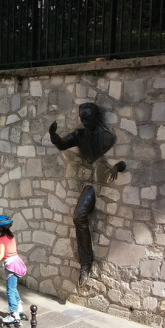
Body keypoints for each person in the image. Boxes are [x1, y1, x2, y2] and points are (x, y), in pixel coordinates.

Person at [49, 103, 126, 287]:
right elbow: (62, 144)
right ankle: (86, 264)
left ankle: (86, 265)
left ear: (97, 116)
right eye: (82, 118)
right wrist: (53, 136)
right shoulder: (79, 134)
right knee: (78, 216)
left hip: (102, 184)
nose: (84, 121)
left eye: (88, 118)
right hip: (90, 184)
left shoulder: (108, 137)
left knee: (80, 216)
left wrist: (116, 167)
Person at [0, 215, 27, 325]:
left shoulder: (2, 239)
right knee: (13, 288)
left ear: (1, 228)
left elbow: (2, 255)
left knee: (10, 291)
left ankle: (13, 315)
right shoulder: (11, 237)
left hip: (11, 265)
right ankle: (19, 309)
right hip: (17, 262)